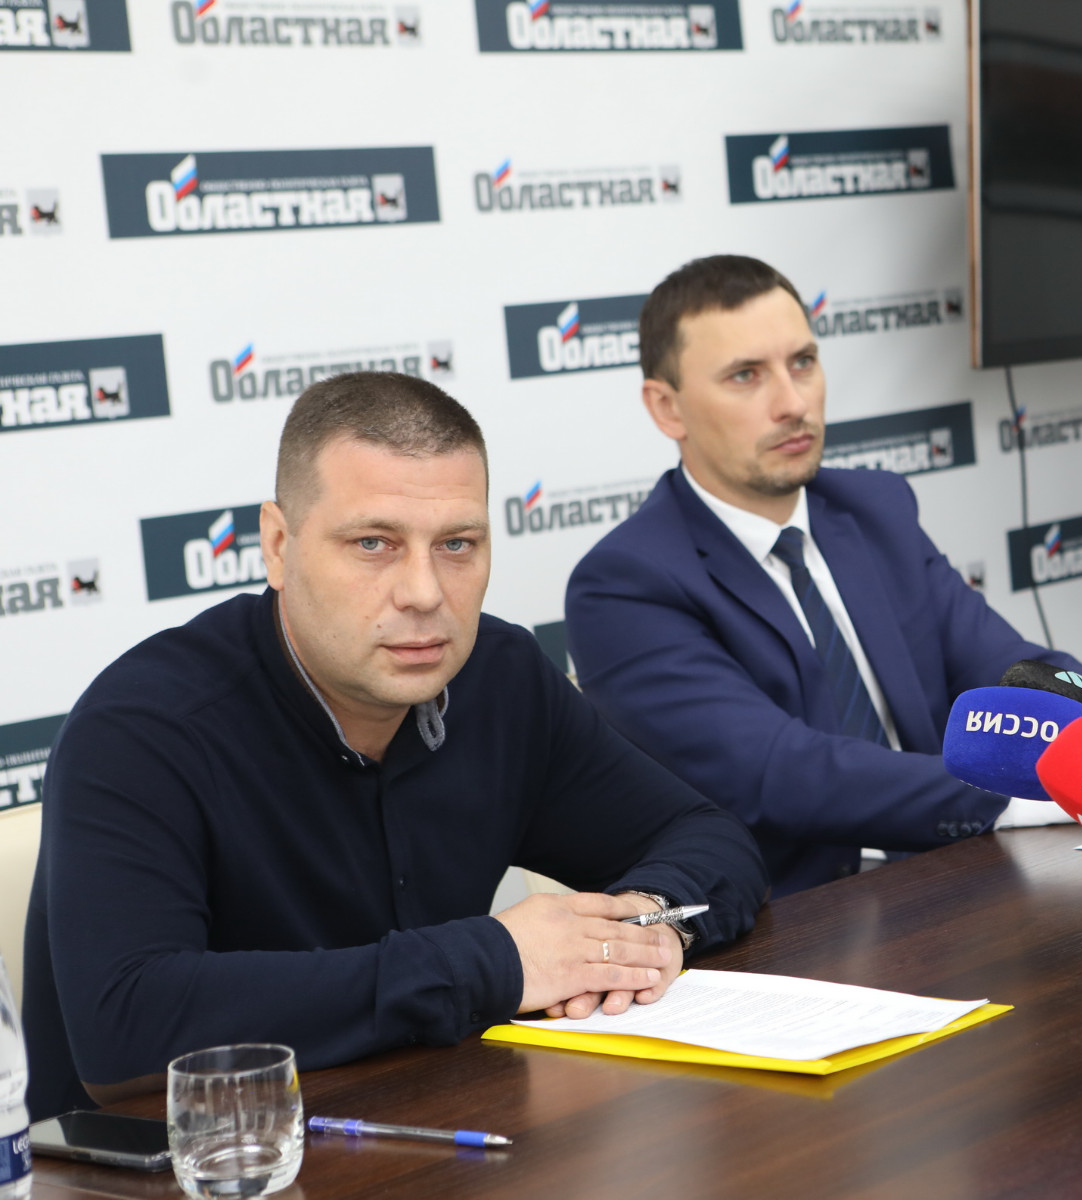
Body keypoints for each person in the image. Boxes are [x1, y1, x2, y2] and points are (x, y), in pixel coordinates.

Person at [23, 372, 766, 1119]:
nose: (424, 592)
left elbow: (707, 836)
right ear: (278, 545)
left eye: (457, 544)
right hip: (191, 1159)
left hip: (436, 1127)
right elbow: (126, 1025)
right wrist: (495, 961)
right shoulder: (143, 727)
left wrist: (644, 926)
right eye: (373, 543)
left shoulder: (500, 677)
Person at [565, 255, 1082, 897]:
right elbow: (781, 772)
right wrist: (1053, 788)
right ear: (667, 407)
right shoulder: (625, 585)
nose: (792, 402)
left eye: (803, 362)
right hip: (796, 921)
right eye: (746, 376)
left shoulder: (871, 509)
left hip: (967, 874)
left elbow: (1011, 670)